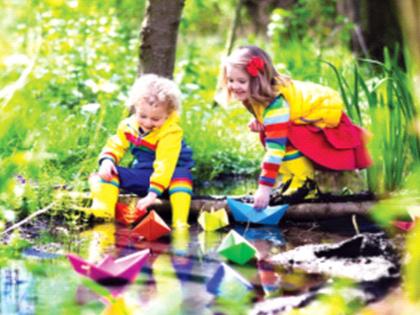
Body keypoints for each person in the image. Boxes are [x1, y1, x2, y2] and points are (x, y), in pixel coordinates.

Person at [221, 45, 371, 209]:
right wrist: (260, 121)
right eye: (231, 80)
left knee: (287, 136)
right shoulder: (255, 94)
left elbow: (275, 150)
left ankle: (304, 183)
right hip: (300, 112)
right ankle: (289, 179)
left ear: (259, 81)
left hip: (322, 112)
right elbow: (265, 114)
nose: (234, 86)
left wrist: (264, 189)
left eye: (241, 81)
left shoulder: (277, 104)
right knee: (271, 132)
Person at [85, 74, 194, 228]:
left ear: (168, 115)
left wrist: (152, 195)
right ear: (135, 107)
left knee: (182, 174)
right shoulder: (128, 126)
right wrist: (108, 161)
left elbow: (165, 163)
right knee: (109, 173)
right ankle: (104, 214)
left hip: (169, 181)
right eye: (143, 116)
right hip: (144, 176)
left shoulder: (171, 132)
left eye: (155, 119)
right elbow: (116, 144)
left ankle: (180, 222)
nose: (148, 123)